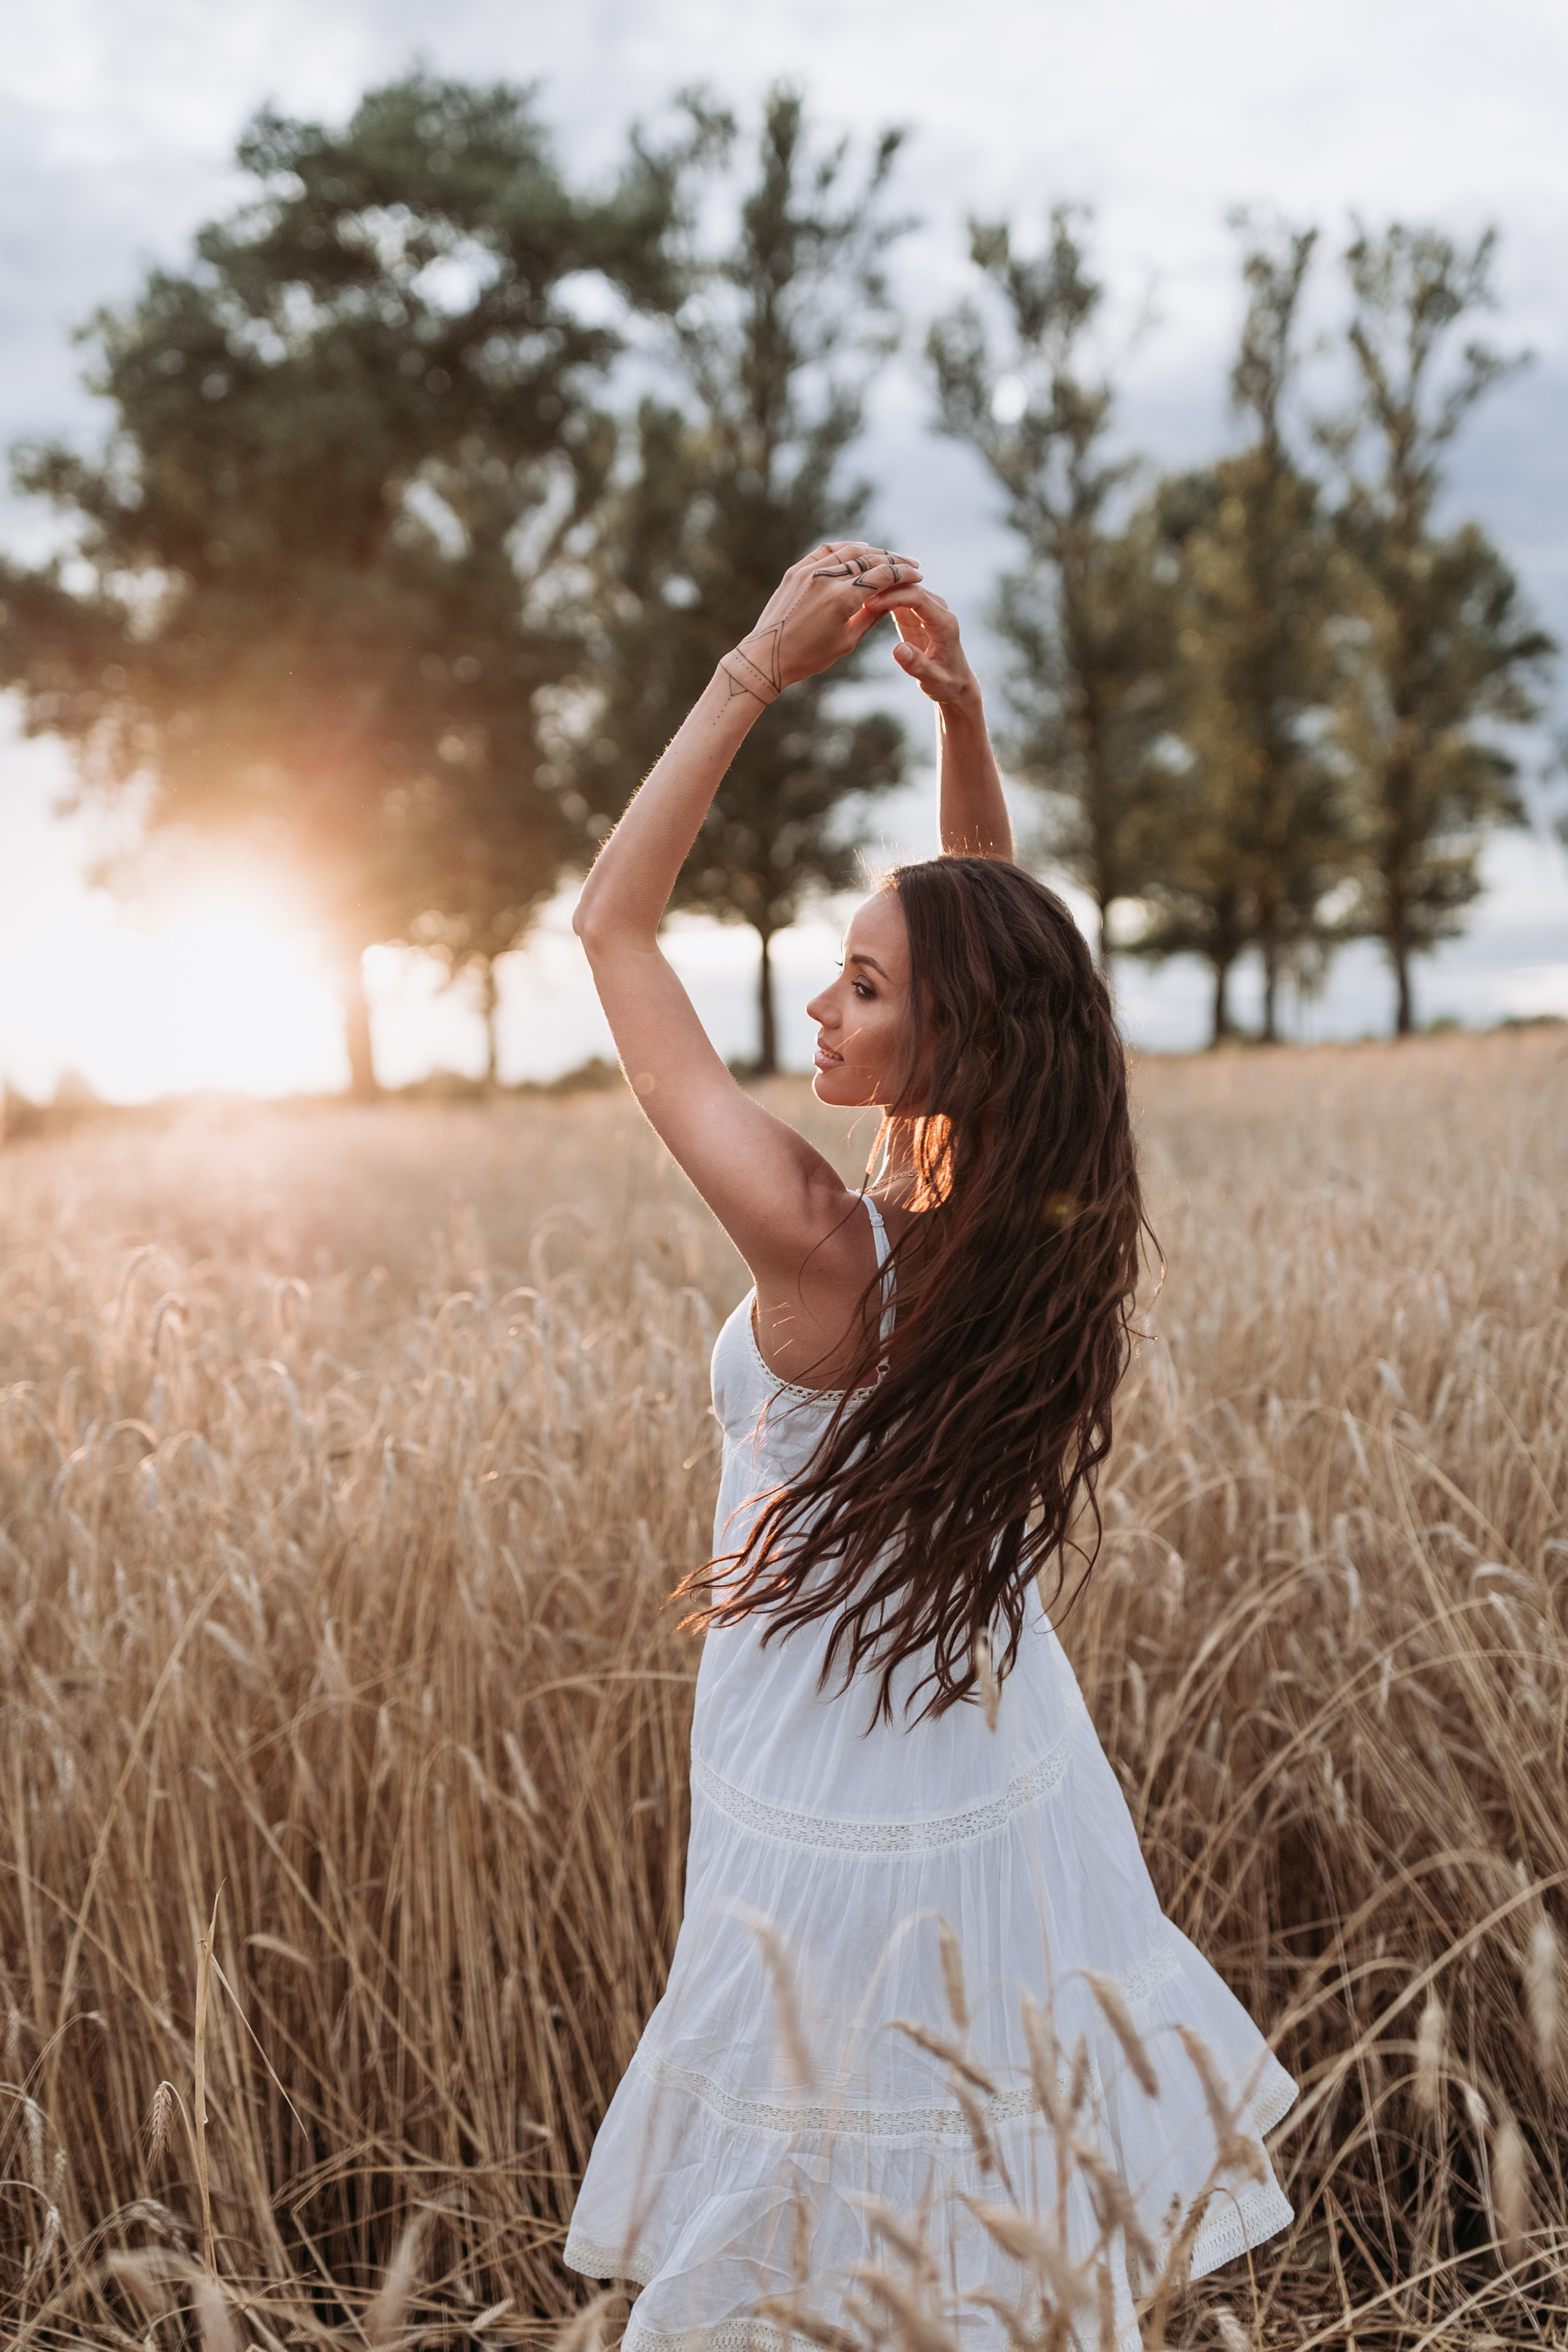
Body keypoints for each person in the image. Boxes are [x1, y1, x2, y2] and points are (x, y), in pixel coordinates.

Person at [562, 545, 1297, 2351]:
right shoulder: (1011, 1211)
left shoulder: (831, 1244)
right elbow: (1008, 948)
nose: (823, 1006)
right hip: (976, 1741)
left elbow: (610, 931)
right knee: (982, 2185)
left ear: (944, 1037)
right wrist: (959, 719)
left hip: (827, 1763)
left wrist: (749, 670)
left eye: (863, 988)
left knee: (830, 2199)